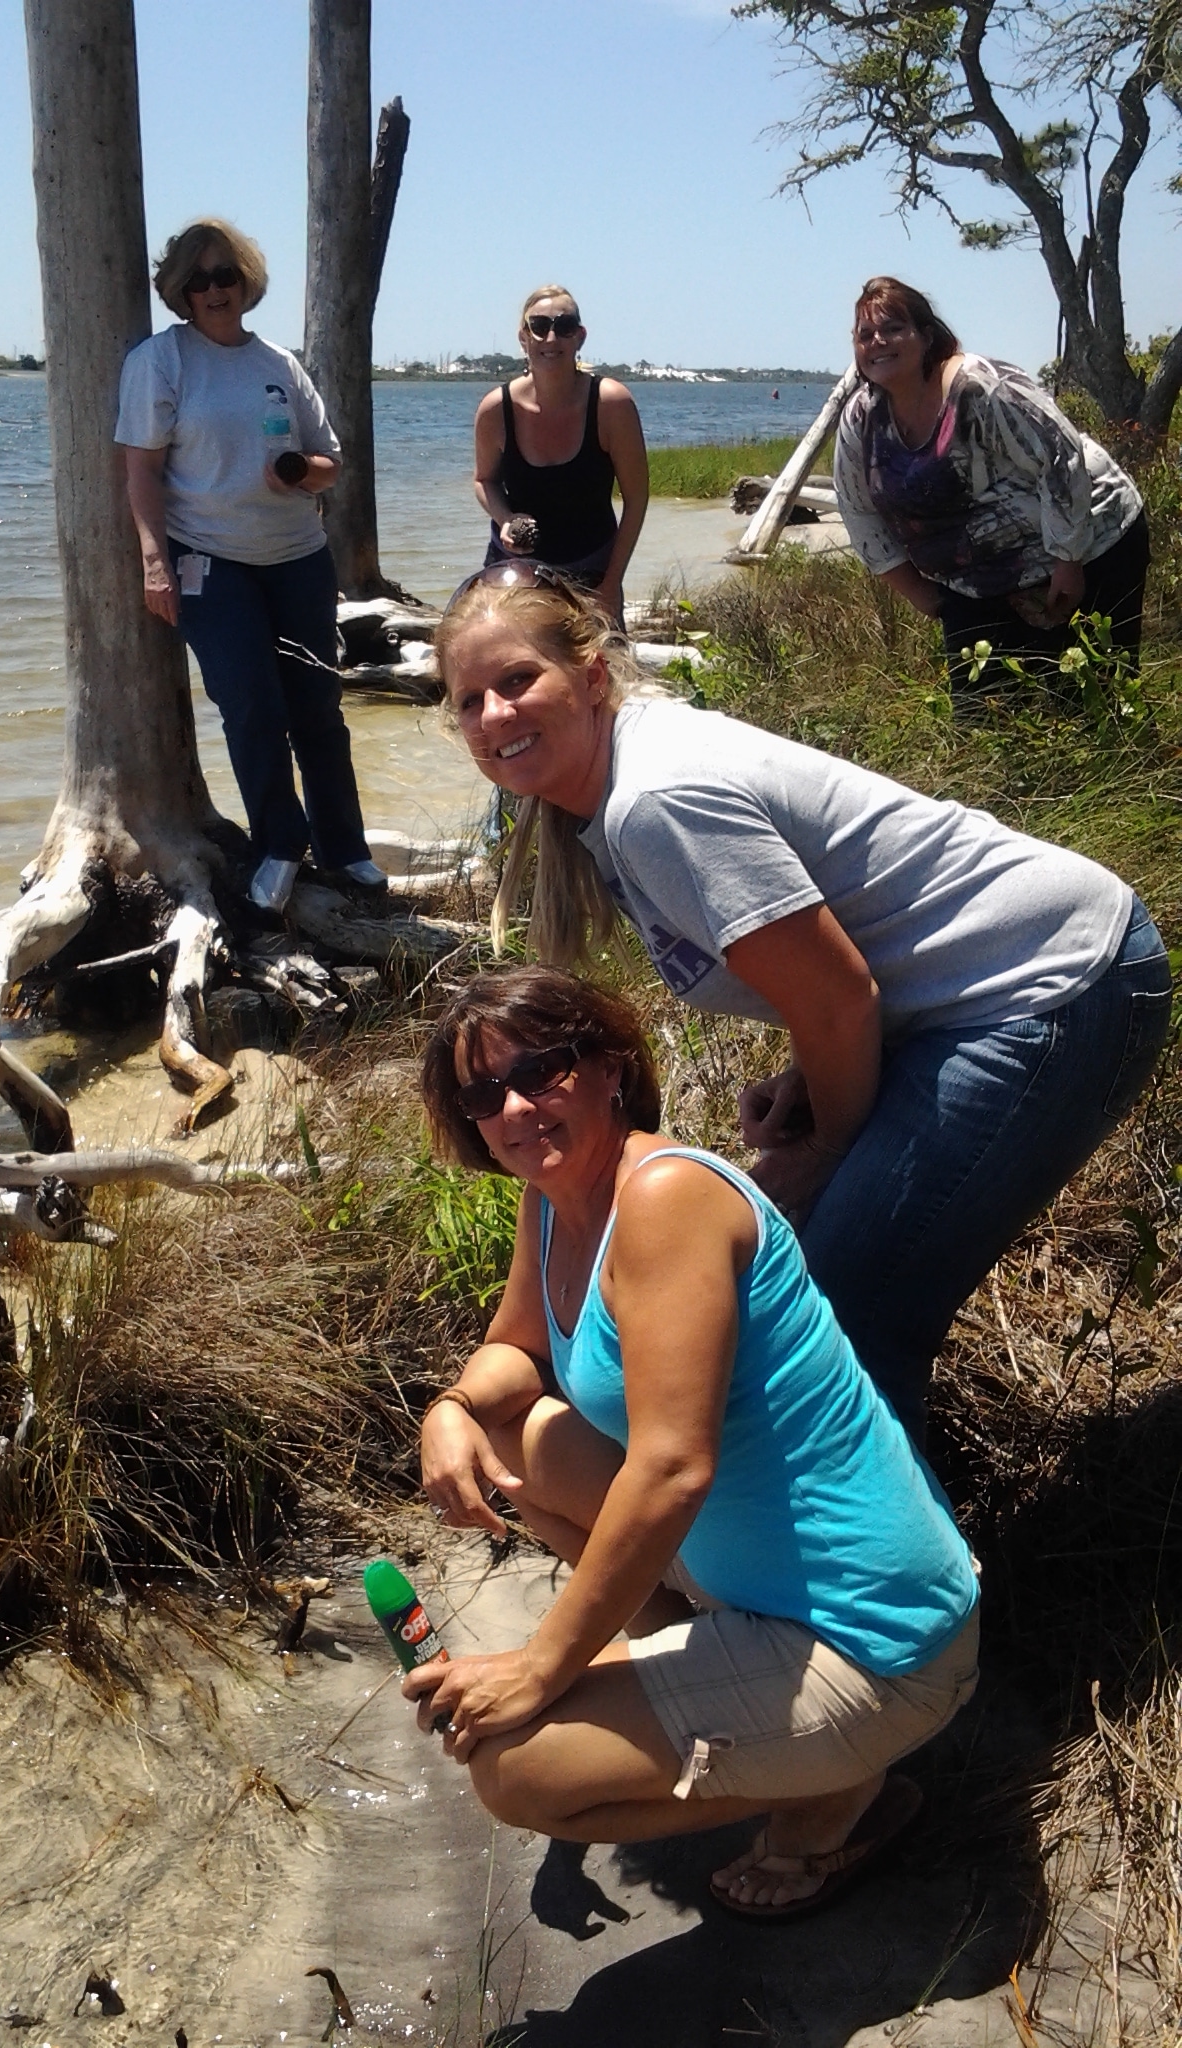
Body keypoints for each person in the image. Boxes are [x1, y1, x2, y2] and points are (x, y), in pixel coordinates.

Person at [435, 565, 1172, 1443]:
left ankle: (891, 1577)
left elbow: (842, 997)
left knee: (851, 1308)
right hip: (963, 998)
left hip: (1048, 983)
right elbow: (837, 969)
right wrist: (810, 1077)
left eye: (517, 680)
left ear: (593, 673)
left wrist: (823, 1145)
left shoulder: (653, 802)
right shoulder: (611, 789)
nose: (494, 716)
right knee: (819, 1276)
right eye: (469, 699)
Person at [406, 966, 981, 1918]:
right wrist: (452, 1407)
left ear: (610, 1068)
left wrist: (542, 1668)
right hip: (751, 1576)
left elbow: (673, 1467)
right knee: (523, 1435)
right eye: (482, 1094)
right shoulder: (554, 1190)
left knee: (517, 1772)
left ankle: (841, 1786)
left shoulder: (665, 1199)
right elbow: (516, 1350)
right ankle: (703, 1668)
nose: (514, 1107)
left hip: (875, 1639)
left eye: (540, 1070)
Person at [116, 216, 385, 913]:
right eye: (198, 279)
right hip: (209, 561)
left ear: (246, 282)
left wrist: (301, 471)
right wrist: (153, 561)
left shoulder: (279, 365)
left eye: (225, 275)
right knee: (251, 706)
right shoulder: (160, 361)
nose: (213, 289)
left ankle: (345, 848)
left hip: (297, 558)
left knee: (318, 711)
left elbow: (330, 463)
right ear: (179, 291)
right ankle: (277, 845)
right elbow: (140, 472)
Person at [832, 276, 1149, 697]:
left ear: (926, 336)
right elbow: (858, 510)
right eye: (865, 334)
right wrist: (920, 593)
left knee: (1092, 696)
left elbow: (1061, 457)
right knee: (982, 717)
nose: (878, 341)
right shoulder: (861, 420)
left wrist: (1067, 560)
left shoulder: (980, 387)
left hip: (1094, 543)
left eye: (893, 328)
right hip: (975, 581)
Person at [473, 286, 649, 624]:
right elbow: (484, 479)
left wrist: (611, 584)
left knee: (600, 673)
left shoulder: (611, 403)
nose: (551, 337)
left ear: (580, 337)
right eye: (538, 326)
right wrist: (505, 518)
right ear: (523, 337)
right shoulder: (496, 408)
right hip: (513, 573)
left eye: (564, 326)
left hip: (592, 568)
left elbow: (637, 499)